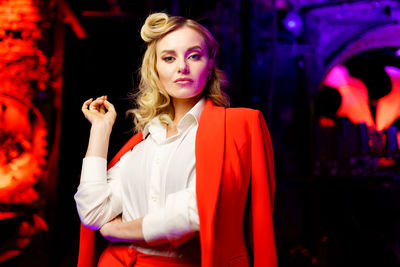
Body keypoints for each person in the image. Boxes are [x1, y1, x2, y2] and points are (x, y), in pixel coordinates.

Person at [75, 12, 276, 267]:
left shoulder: (237, 127)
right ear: (155, 69)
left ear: (210, 63)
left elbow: (195, 213)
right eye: (169, 58)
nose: (182, 66)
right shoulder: (141, 144)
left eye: (194, 55)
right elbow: (92, 213)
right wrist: (100, 131)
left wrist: (119, 231)